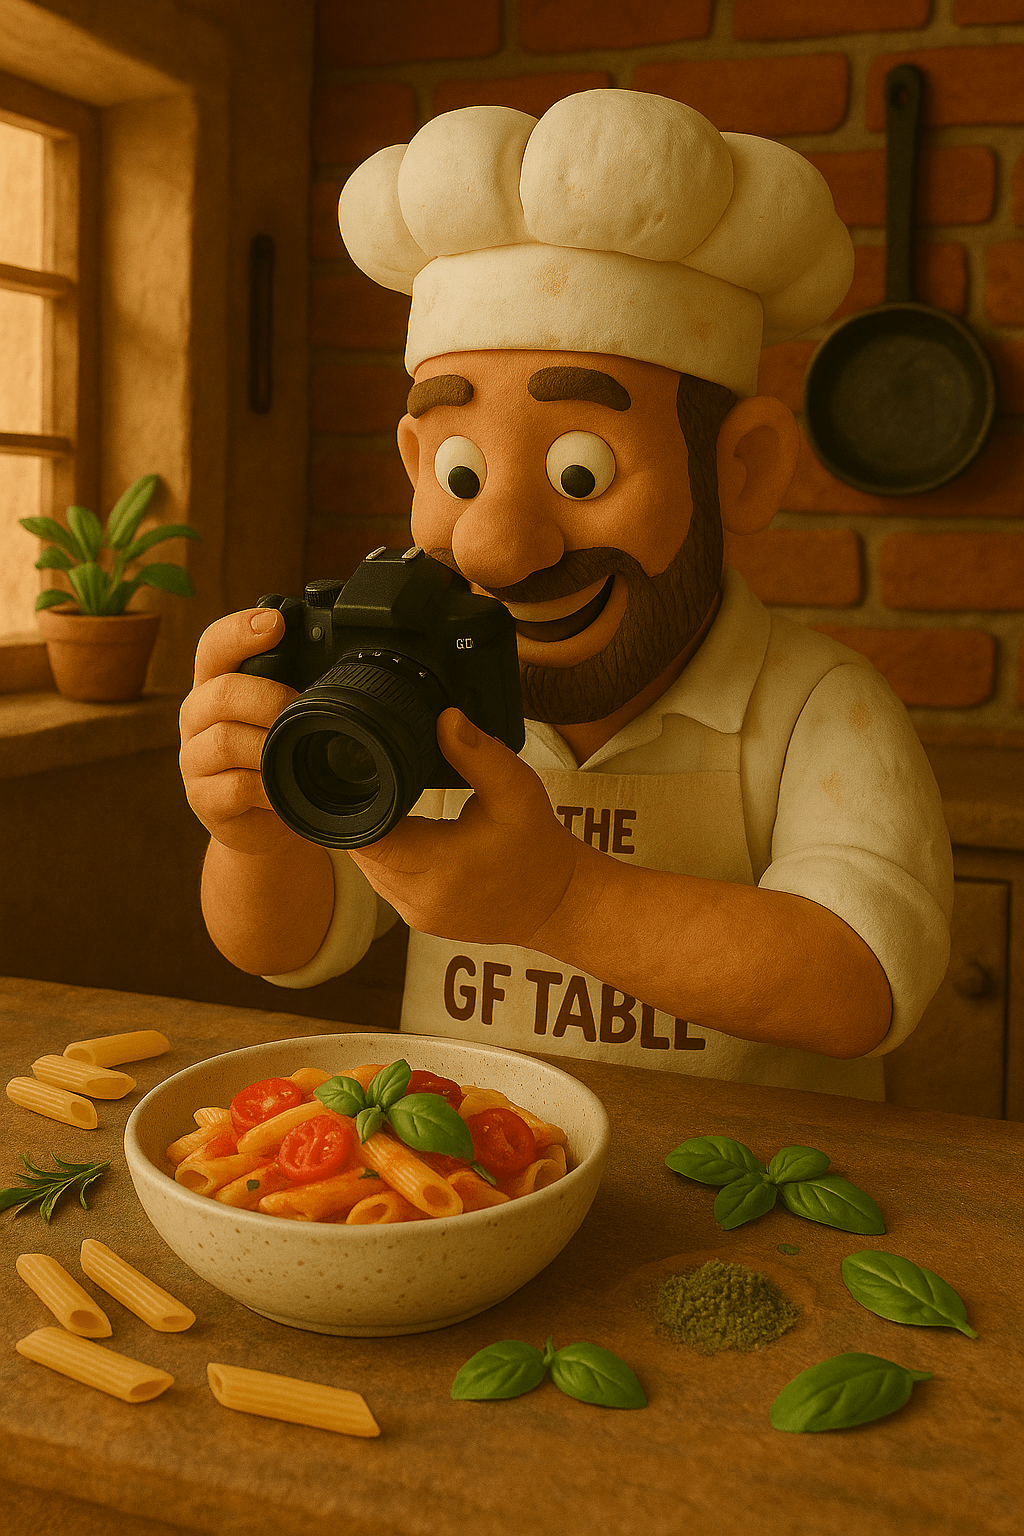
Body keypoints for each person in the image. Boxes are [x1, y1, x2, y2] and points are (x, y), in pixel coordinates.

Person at [179, 90, 953, 1100]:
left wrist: (558, 896)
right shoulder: (414, 688)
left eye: (581, 472)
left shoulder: (819, 707)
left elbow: (861, 986)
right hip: (488, 1191)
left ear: (740, 470)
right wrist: (252, 831)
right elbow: (288, 947)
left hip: (742, 1201)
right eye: (459, 477)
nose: (498, 549)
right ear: (414, 462)